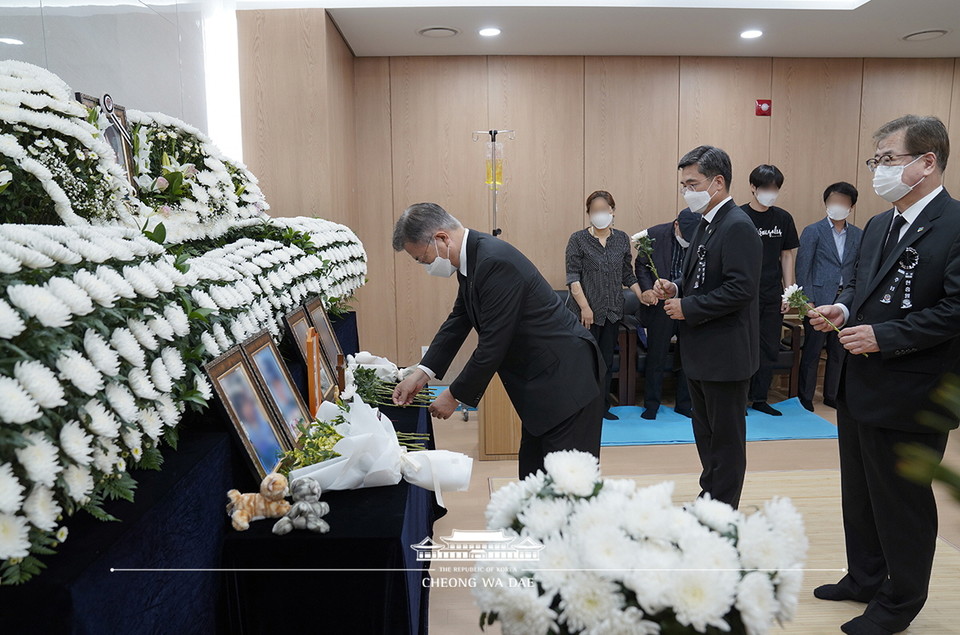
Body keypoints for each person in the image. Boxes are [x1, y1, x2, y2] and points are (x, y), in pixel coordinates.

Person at [809, 115, 960, 635]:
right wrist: (842, 310)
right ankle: (865, 577)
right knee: (861, 493)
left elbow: (955, 309)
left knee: (902, 503)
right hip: (859, 383)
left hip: (914, 389)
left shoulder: (955, 223)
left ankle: (900, 602)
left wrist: (885, 336)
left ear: (927, 162)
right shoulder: (878, 224)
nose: (879, 170)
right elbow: (859, 287)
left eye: (888, 159)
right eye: (876, 160)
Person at [391, 202, 604, 478]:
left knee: (568, 482)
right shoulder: (472, 259)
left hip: (567, 380)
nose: (425, 266)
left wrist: (454, 395)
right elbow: (458, 321)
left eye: (423, 259)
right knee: (535, 478)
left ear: (442, 238)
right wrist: (420, 375)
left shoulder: (493, 261)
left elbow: (493, 343)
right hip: (542, 383)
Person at [653, 145, 761, 508]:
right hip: (701, 349)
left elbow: (740, 289)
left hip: (726, 353)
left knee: (725, 439)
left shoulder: (738, 225)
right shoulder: (706, 223)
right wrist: (676, 288)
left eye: (693, 184)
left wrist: (687, 307)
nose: (687, 192)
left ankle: (722, 509)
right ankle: (710, 497)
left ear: (717, 182)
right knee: (707, 434)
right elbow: (702, 279)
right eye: (683, 185)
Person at [565, 190, 645, 420]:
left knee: (606, 362)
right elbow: (573, 277)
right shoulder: (578, 239)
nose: (600, 214)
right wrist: (585, 307)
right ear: (588, 213)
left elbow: (627, 274)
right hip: (586, 314)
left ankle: (601, 408)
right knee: (585, 363)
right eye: (595, 210)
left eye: (604, 209)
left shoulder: (621, 239)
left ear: (612, 210)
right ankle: (582, 409)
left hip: (612, 312)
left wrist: (642, 295)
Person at [795, 181, 863, 412]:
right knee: (812, 351)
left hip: (845, 300)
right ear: (826, 203)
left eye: (843, 202)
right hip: (819, 299)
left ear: (851, 206)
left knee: (838, 351)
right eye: (834, 201)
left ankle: (831, 395)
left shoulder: (858, 235)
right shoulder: (813, 231)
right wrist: (807, 300)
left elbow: (858, 268)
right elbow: (803, 268)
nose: (838, 205)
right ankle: (805, 396)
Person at [740, 164, 799, 416]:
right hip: (744, 294)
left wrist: (789, 291)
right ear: (753, 187)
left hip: (772, 293)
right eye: (766, 188)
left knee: (768, 346)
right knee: (744, 346)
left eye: (775, 188)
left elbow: (787, 255)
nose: (770, 193)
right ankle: (739, 398)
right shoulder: (739, 216)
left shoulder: (783, 218)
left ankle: (760, 398)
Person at [634, 208, 699, 420]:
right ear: (676, 224)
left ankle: (685, 404)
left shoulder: (702, 236)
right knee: (657, 355)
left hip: (688, 303)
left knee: (688, 355)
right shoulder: (654, 235)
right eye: (685, 236)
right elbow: (641, 266)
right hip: (660, 305)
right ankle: (651, 405)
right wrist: (648, 289)